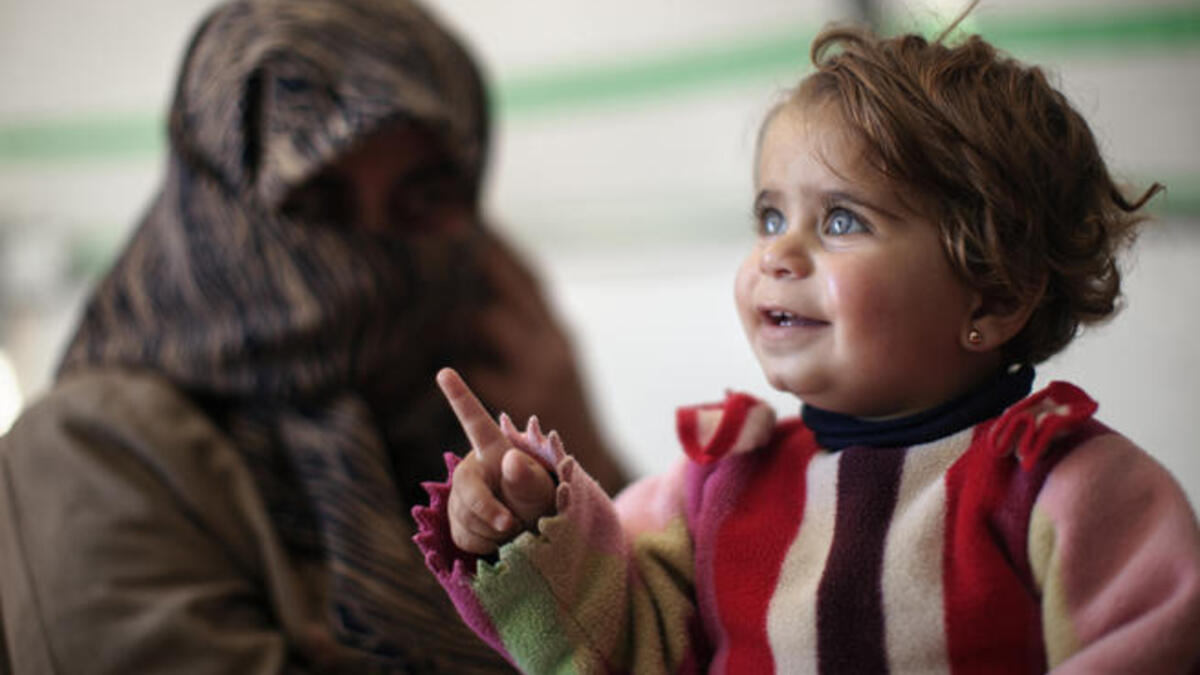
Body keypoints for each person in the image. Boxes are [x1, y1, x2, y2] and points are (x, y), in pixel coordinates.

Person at [412, 15, 1200, 675]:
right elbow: (618, 641)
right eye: (768, 217)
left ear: (992, 294)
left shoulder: (1067, 488)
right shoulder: (710, 488)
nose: (778, 254)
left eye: (842, 221)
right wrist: (525, 526)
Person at [0, 0, 626, 672]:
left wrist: (584, 473)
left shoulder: (472, 423)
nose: (367, 260)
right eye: (313, 203)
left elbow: (677, 639)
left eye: (420, 199)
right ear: (213, 211)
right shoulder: (95, 448)